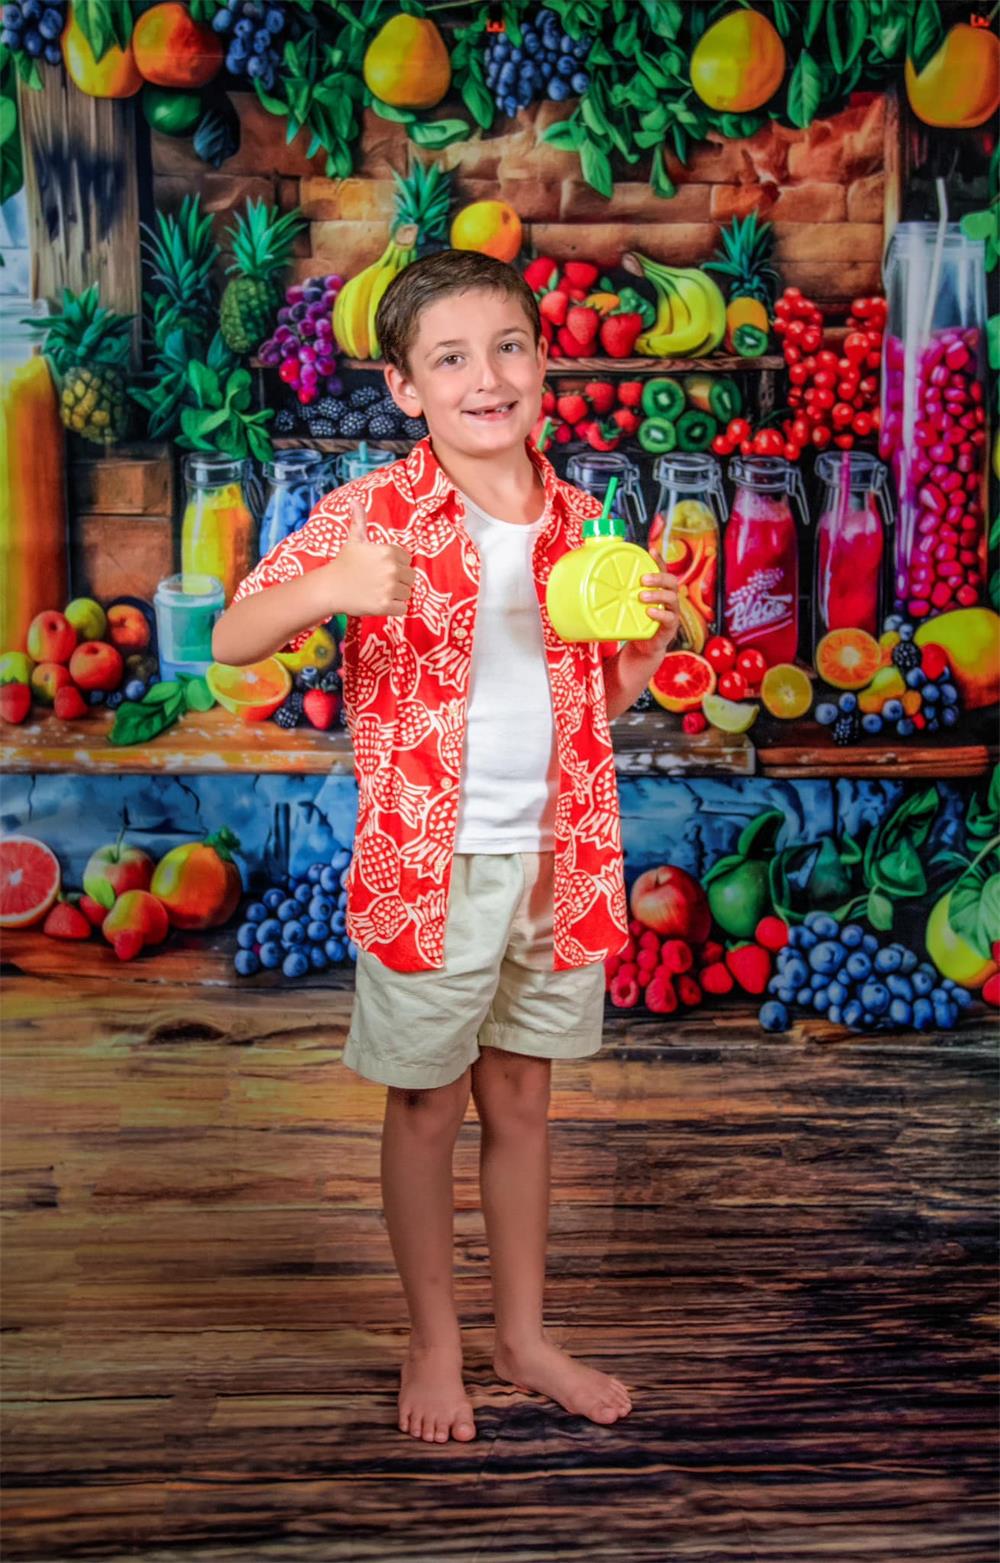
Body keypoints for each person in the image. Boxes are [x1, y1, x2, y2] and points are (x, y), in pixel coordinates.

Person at [213, 249, 680, 1444]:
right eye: (452, 357)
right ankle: (434, 1341)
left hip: (556, 861)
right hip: (432, 868)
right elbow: (231, 636)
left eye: (509, 347)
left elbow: (594, 707)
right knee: (426, 1105)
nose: (488, 377)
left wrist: (637, 653)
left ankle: (521, 1337)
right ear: (406, 386)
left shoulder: (584, 522)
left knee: (522, 1096)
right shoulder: (372, 515)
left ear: (543, 360)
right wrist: (332, 589)